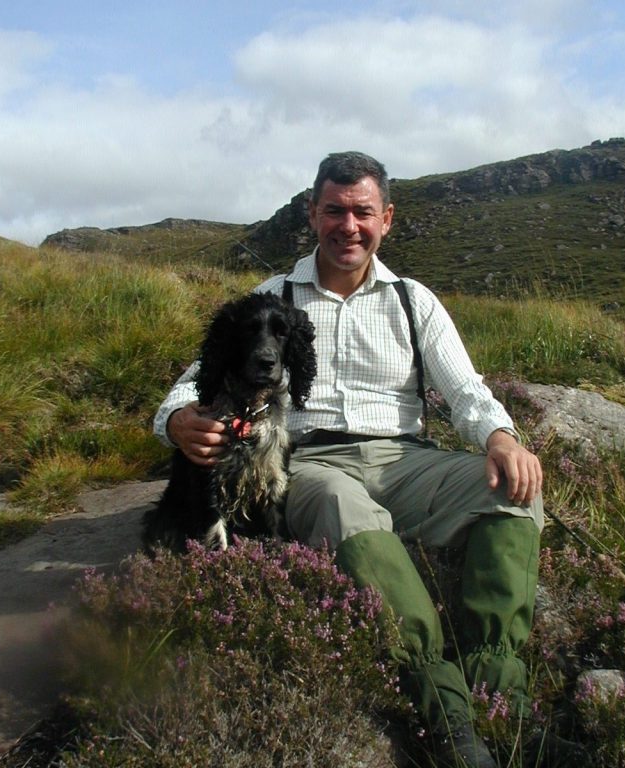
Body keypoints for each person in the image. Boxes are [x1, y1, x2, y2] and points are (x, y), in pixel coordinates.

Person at [154, 151, 544, 767]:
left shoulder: (414, 302)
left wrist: (499, 436)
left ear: (386, 219)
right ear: (312, 215)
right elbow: (187, 385)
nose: (348, 225)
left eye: (363, 212)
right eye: (334, 210)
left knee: (511, 490)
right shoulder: (270, 297)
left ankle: (504, 702)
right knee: (342, 506)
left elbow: (466, 389)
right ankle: (445, 713)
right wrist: (177, 422)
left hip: (406, 459)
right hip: (308, 463)